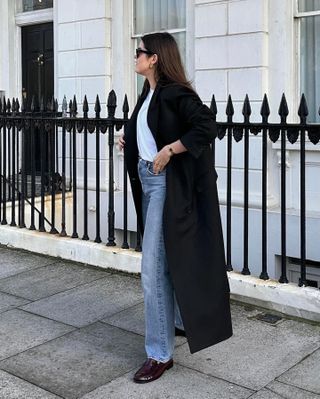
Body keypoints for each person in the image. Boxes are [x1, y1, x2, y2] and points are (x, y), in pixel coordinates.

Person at [119, 32, 232, 384]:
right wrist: (130, 138)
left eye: (139, 52)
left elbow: (206, 126)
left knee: (151, 269)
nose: (135, 56)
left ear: (154, 58)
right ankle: (179, 321)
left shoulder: (175, 92)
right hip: (148, 180)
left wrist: (170, 150)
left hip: (165, 185)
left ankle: (159, 354)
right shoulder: (149, 93)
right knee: (167, 261)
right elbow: (150, 130)